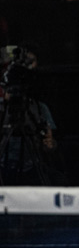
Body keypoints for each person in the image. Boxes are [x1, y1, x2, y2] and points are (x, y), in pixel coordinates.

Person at [0, 43, 63, 185]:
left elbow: (49, 145)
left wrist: (50, 145)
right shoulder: (1, 108)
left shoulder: (39, 108)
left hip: (31, 168)